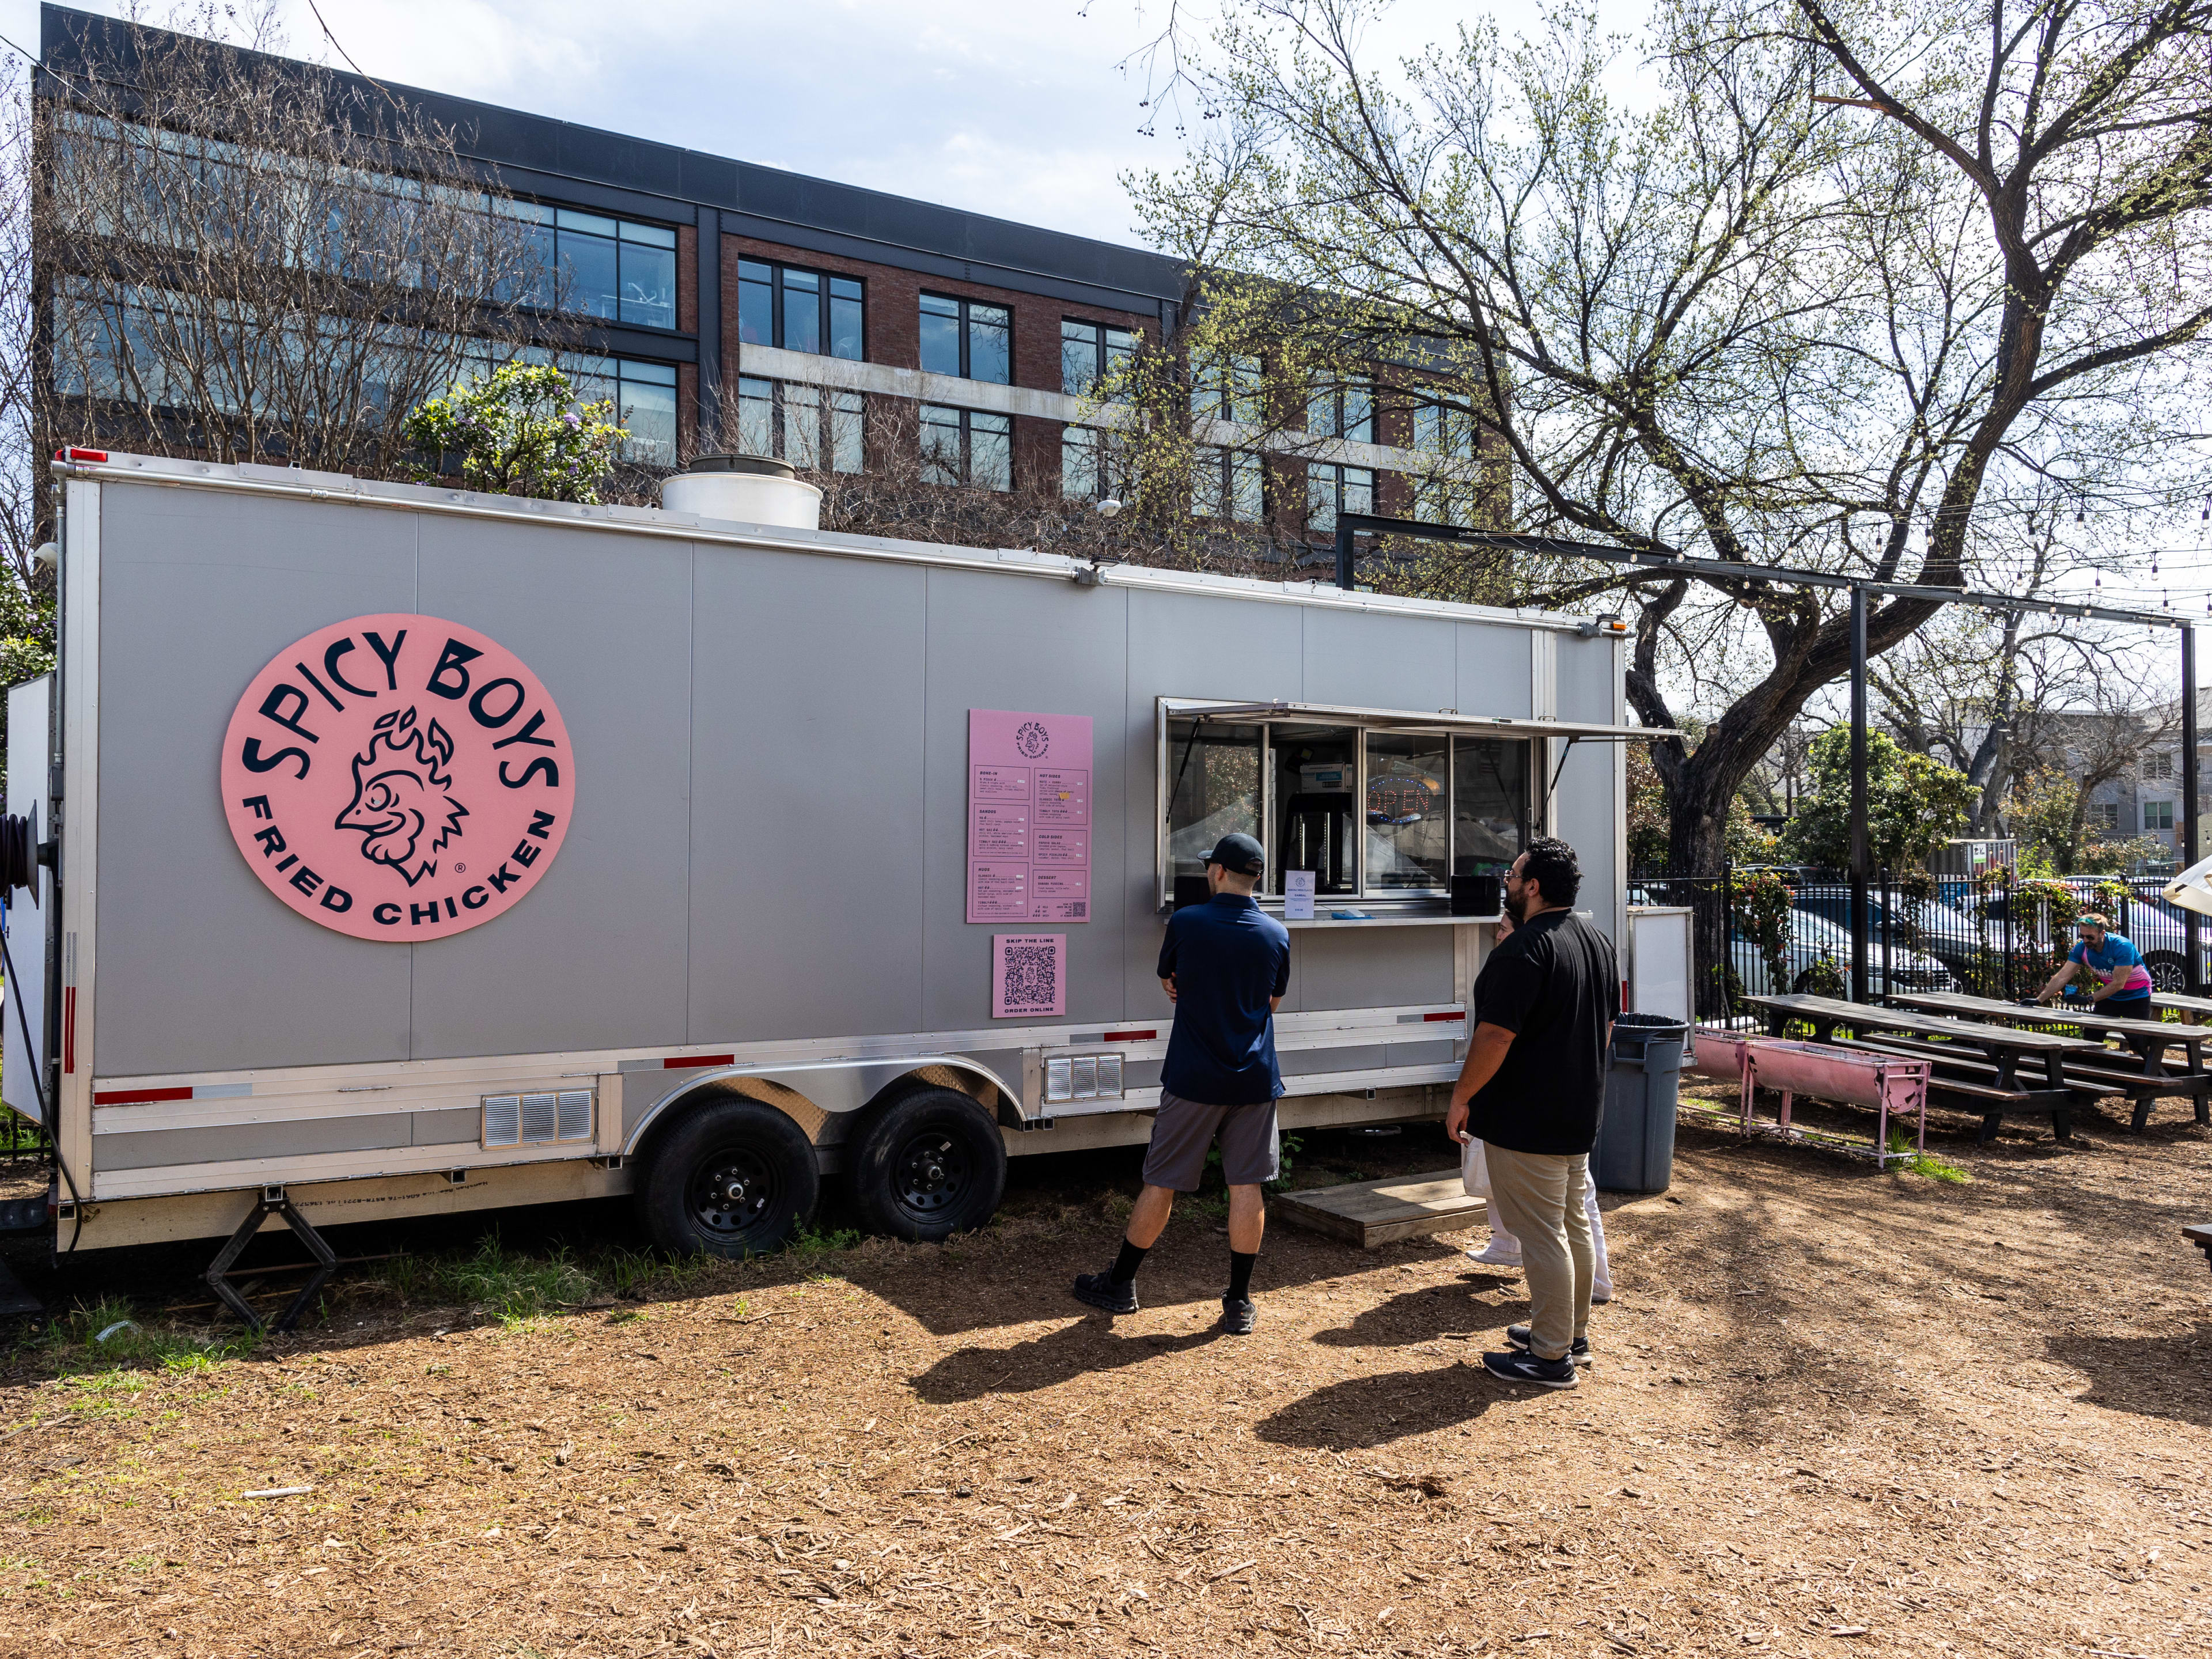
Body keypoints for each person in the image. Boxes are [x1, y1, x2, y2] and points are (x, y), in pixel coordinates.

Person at [1072, 832, 1291, 1335]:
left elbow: (1170, 979)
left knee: (1163, 1180)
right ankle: (1238, 1302)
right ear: (1256, 877)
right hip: (1255, 1079)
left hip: (1194, 1076)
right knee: (1246, 1186)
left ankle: (1120, 1285)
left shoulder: (1188, 923)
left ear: (1217, 872)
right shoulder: (1276, 934)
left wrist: (1189, 989)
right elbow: (1270, 1004)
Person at [1445, 837, 1619, 1389]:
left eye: (1513, 875)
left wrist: (1461, 1097)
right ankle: (1571, 1334)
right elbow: (1608, 1027)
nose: (1507, 882)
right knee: (1571, 1224)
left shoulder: (1523, 950)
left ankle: (1549, 1358)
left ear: (1534, 887)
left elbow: (1495, 1036)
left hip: (1528, 1117)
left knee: (1543, 1234)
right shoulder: (1596, 941)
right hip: (1579, 1109)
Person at [2036, 912, 2153, 1016]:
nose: (2086, 941)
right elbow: (2062, 977)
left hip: (2137, 995)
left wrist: (2088, 999)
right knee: (2092, 1034)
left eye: (2090, 937)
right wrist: (2039, 1000)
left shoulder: (2122, 946)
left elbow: (2118, 983)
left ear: (2102, 933)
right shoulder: (2081, 949)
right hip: (2110, 995)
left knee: (2136, 1038)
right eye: (2082, 936)